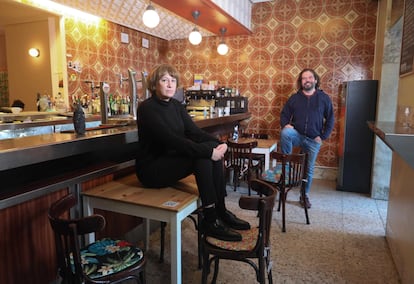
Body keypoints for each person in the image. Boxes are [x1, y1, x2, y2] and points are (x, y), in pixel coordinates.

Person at [135, 64, 250, 242]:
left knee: (208, 155)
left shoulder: (176, 106)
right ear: (154, 84)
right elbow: (172, 141)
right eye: (164, 80)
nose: (169, 84)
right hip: (152, 169)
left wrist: (220, 144)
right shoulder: (146, 108)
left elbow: (194, 133)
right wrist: (209, 151)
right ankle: (210, 219)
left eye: (173, 81)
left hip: (171, 162)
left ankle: (220, 209)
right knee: (203, 156)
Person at [279, 68, 334, 209]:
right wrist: (286, 124)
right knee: (285, 133)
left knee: (308, 169)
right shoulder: (295, 98)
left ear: (315, 80)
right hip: (297, 135)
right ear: (301, 81)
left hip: (313, 139)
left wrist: (322, 136)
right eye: (304, 78)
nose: (307, 80)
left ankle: (304, 195)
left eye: (310, 77)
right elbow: (284, 114)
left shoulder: (324, 98)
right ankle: (285, 182)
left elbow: (330, 119)